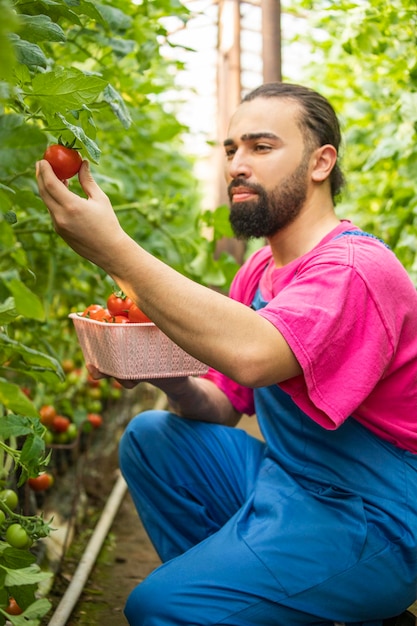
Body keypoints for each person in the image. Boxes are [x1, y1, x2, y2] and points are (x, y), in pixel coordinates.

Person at [36, 82, 417, 626]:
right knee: (152, 436)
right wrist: (167, 377)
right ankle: (269, 603)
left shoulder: (353, 269)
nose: (238, 164)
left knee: (160, 607)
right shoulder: (257, 273)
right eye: (231, 149)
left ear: (320, 162)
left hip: (372, 518)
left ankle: (322, 597)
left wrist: (114, 250)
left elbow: (256, 357)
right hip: (292, 483)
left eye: (261, 147)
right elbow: (224, 403)